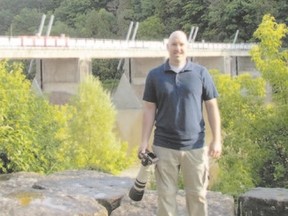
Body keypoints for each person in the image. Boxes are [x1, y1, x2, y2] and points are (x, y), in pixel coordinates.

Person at [139, 30, 222, 216]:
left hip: (195, 147)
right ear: (167, 47)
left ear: (187, 47)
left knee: (198, 196)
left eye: (182, 44)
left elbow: (211, 107)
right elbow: (149, 110)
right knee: (165, 197)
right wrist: (144, 142)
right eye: (174, 44)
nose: (178, 48)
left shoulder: (201, 73)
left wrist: (217, 139)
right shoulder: (155, 75)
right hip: (163, 146)